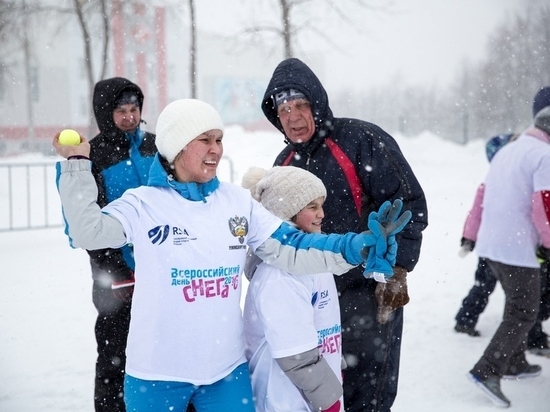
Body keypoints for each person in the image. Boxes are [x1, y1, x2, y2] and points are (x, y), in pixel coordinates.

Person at [53, 98, 411, 412]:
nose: (216, 149)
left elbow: (293, 246)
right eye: (204, 140)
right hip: (156, 374)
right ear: (177, 147)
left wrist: (355, 247)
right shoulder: (143, 203)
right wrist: (75, 168)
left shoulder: (236, 203)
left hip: (226, 375)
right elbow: (88, 231)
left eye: (220, 139)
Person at [261, 58, 428, 412]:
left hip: (366, 291)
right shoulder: (284, 162)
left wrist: (397, 270)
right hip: (314, 295)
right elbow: (275, 228)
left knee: (370, 390)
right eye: (283, 108)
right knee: (324, 392)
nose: (291, 116)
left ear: (316, 104)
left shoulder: (360, 140)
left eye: (300, 105)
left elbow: (407, 203)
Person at [467, 86, 550, 408]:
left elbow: (485, 193)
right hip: (518, 246)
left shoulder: (510, 149)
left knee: (515, 303)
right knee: (524, 310)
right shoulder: (543, 155)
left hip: (493, 243)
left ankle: (514, 363)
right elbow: (544, 204)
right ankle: (486, 370)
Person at [241, 166, 344, 412]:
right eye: (312, 207)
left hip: (311, 394)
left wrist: (334, 367)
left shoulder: (313, 260)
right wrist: (328, 400)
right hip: (284, 399)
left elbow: (321, 323)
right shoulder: (279, 275)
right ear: (287, 212)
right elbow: (295, 353)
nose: (321, 214)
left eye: (321, 205)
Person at [87, 77, 157, 412]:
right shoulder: (93, 156)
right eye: (121, 111)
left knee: (164, 350)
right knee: (116, 356)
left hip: (159, 270)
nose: (129, 117)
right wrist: (115, 268)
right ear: (105, 113)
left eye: (134, 109)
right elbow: (89, 222)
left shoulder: (154, 146)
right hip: (115, 278)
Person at [455, 133, 550, 358]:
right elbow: (477, 211)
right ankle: (467, 320)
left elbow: (477, 211)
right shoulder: (510, 178)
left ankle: (467, 320)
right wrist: (469, 237)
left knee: (495, 289)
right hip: (511, 248)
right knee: (512, 295)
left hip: (494, 245)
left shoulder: (501, 179)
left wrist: (470, 236)